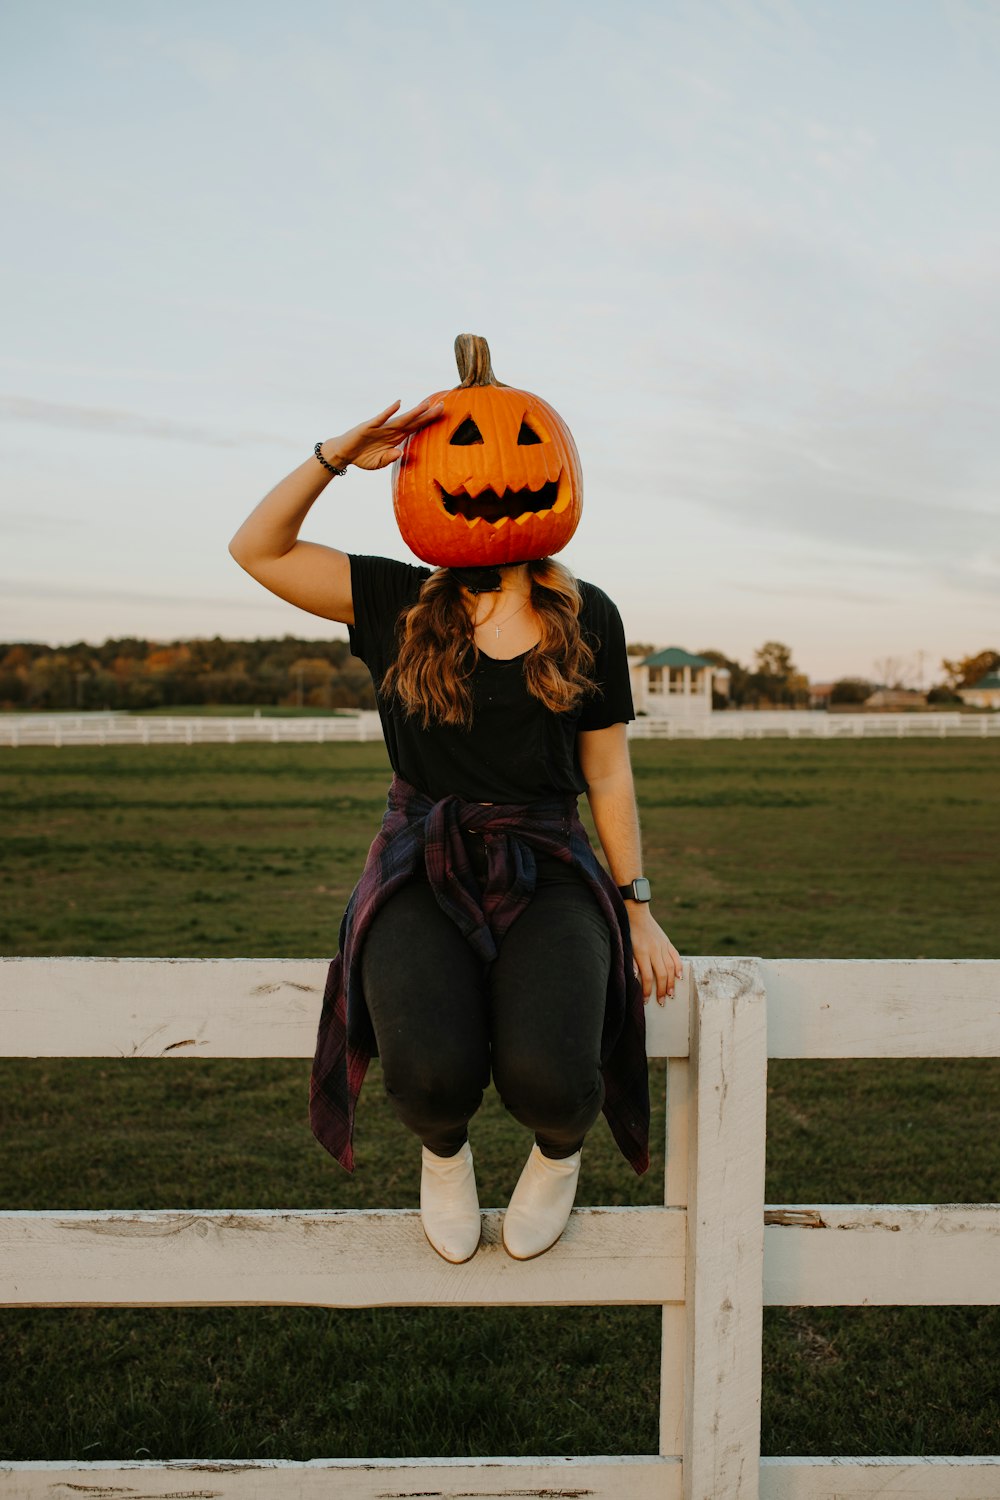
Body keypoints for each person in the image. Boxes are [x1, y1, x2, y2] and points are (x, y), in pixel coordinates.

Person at [228, 392, 684, 1264]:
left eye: (513, 449)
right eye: (466, 449)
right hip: (420, 860)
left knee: (555, 1079)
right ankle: (444, 1154)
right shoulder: (394, 600)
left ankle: (558, 1155)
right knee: (427, 1072)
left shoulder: (589, 614)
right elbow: (257, 548)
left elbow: (607, 769)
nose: (490, 472)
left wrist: (637, 906)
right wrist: (336, 453)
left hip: (548, 858)